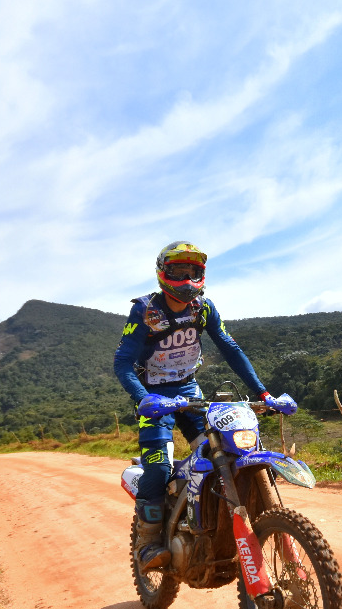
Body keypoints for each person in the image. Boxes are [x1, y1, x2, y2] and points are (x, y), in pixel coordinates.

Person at [114, 241, 296, 571]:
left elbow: (231, 349)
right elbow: (123, 362)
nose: (186, 279)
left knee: (223, 454)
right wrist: (143, 398)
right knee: (158, 467)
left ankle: (216, 520)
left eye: (192, 272)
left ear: (202, 275)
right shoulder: (145, 311)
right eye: (177, 272)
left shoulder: (203, 308)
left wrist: (265, 394)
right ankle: (147, 541)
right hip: (155, 399)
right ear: (162, 274)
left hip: (190, 392)